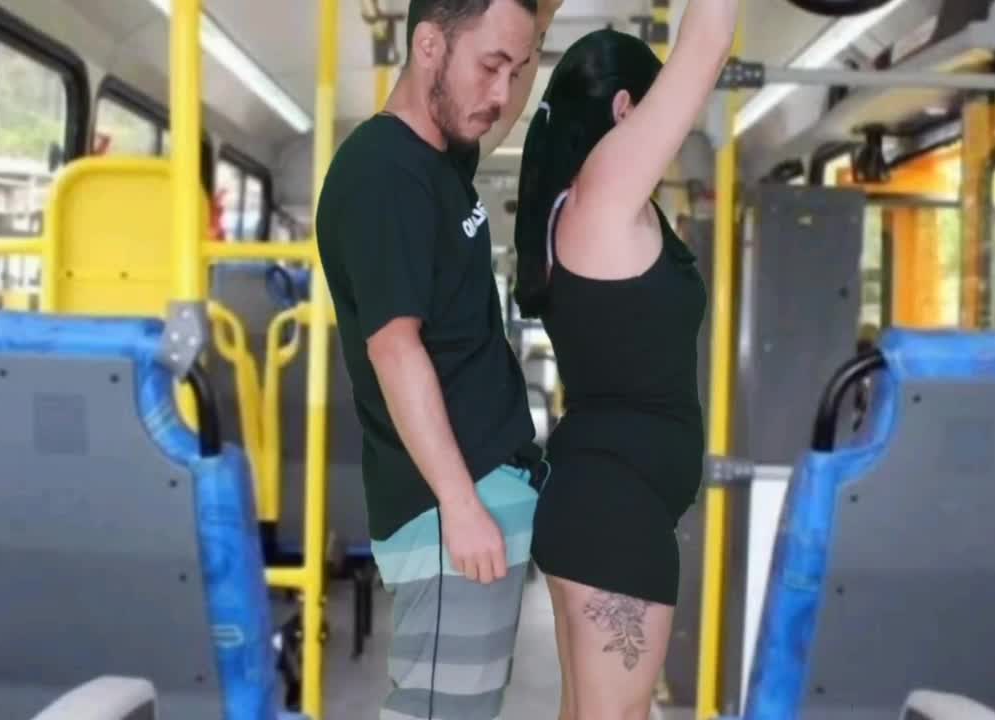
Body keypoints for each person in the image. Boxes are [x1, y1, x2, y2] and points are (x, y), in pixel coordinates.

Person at [315, 0, 561, 718]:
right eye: (490, 67)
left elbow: (501, 106)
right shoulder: (382, 174)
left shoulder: (440, 156)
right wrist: (461, 503)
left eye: (517, 70)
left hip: (477, 493)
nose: (502, 93)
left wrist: (542, 16)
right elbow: (394, 348)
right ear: (428, 46)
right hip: (449, 509)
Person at [512, 2, 738, 718]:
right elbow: (707, 41)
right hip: (613, 513)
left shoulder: (582, 211)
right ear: (624, 108)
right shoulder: (604, 190)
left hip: (600, 503)